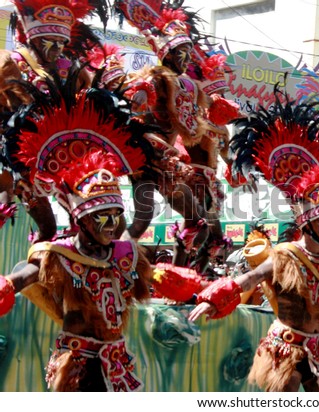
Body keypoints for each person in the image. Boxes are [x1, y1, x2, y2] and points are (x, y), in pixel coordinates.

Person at [0, 83, 204, 392]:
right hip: (76, 366)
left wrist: (202, 291)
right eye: (101, 217)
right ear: (81, 220)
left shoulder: (126, 254)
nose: (111, 224)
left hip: (117, 364)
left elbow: (160, 281)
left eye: (115, 215)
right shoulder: (58, 255)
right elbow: (20, 278)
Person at [188, 93, 319, 392]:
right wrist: (213, 297)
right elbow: (251, 277)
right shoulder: (287, 255)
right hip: (285, 346)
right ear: (307, 223)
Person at [116, 0, 241, 268]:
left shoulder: (191, 87)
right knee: (142, 219)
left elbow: (204, 121)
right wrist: (140, 93)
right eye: (181, 52)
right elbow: (142, 88)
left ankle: (179, 277)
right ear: (168, 54)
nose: (186, 57)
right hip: (149, 152)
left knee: (197, 222)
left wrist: (235, 158)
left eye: (189, 52)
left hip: (170, 163)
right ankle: (113, 266)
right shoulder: (158, 77)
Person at [0, 0, 108, 242]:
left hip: (68, 158)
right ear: (34, 38)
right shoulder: (10, 63)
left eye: (62, 41)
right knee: (47, 228)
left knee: (91, 224)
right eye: (52, 40)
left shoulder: (71, 69)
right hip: (20, 162)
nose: (59, 47)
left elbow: (89, 106)